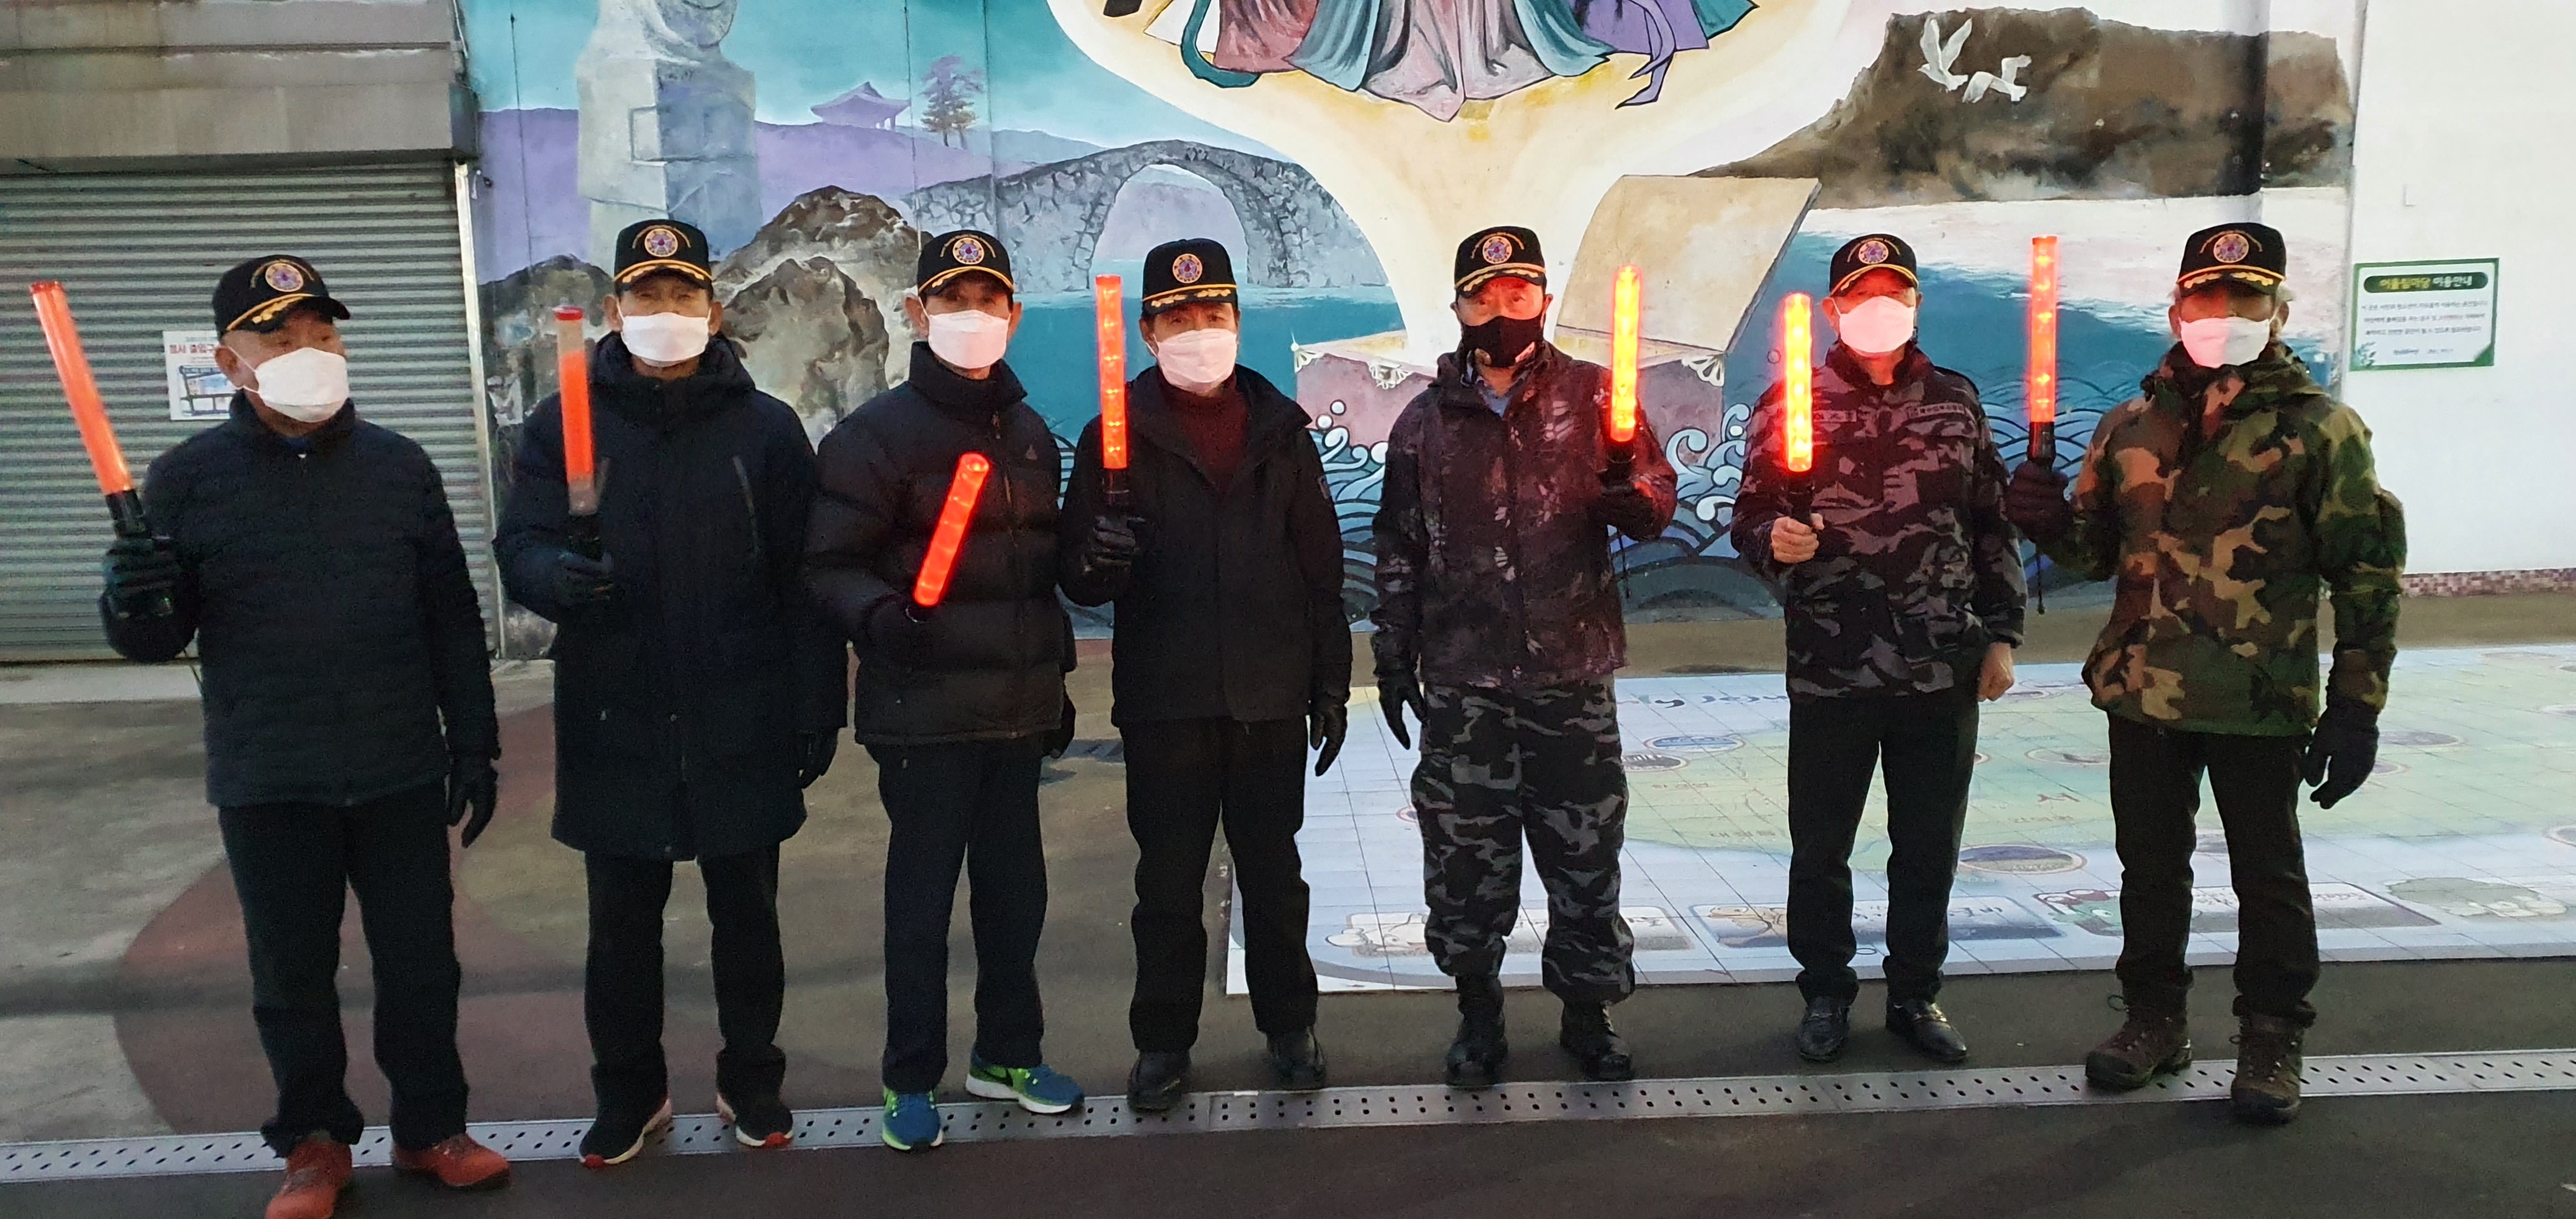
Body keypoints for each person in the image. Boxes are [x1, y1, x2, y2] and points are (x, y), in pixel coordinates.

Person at [100, 256, 510, 1219]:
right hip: (269, 772)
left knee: (421, 963)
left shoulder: (400, 467)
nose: (308, 350)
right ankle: (315, 1142)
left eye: (322, 333)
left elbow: (451, 616)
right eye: (278, 337)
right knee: (292, 973)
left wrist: (475, 743)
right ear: (228, 361)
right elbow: (156, 636)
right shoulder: (188, 479)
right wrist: (130, 596)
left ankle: (432, 1127)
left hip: (397, 763)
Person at [2003, 222, 2405, 1125]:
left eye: (2245, 299)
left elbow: (2366, 574)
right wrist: (2044, 521)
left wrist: (2357, 708)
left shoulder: (2320, 431)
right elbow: (2096, 552)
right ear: (2178, 309)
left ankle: (2271, 1035)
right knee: (2150, 870)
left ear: (2278, 311)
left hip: (2259, 697)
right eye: (2208, 298)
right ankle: (2154, 1020)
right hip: (2143, 687)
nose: (2224, 314)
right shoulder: (2131, 425)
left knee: (2268, 874)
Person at [495, 220, 846, 1167]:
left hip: (741, 707)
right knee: (620, 928)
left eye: (683, 294)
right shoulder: (565, 422)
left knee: (749, 917)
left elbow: (804, 575)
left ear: (713, 311)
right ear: (615, 311)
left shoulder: (765, 429)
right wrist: (553, 577)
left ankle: (752, 1080)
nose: (665, 312)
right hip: (616, 710)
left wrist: (819, 701)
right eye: (645, 295)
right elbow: (520, 542)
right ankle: (630, 1092)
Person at [1370, 225, 1677, 1088]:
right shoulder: (1425, 422)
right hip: (1464, 680)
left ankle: (1588, 1013)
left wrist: (1632, 497)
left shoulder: (1598, 398)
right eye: (1484, 296)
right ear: (1460, 308)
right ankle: (1478, 1016)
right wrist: (1393, 655)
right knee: (1465, 860)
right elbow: (1398, 547)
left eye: (1519, 292)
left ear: (1543, 298)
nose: (1502, 309)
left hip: (1570, 674)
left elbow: (1657, 496)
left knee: (1585, 855)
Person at [805, 229, 1085, 1152]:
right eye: (951, 300)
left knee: (1016, 896)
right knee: (921, 905)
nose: (971, 315)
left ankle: (1008, 1052)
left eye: (987, 299)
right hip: (921, 715)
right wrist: (879, 615)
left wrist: (1054, 679)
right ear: (917, 312)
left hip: (1015, 714)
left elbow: (1033, 575)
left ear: (1013, 314)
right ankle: (910, 1074)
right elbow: (829, 565)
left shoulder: (1030, 434)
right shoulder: (874, 437)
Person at [1059, 238, 1351, 1111]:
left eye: (1213, 313)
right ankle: (1162, 1042)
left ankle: (1290, 1026)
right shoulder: (1115, 436)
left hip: (1267, 694)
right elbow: (1079, 578)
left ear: (1237, 322)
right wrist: (1099, 558)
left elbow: (1321, 571)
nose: (1198, 330)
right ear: (1149, 332)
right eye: (1178, 317)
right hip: (1167, 698)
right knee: (1166, 884)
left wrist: (1329, 684)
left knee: (1274, 878)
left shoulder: (1282, 433)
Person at [1728, 234, 2026, 1067]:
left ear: (1917, 304)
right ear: (1834, 310)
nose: (1878, 307)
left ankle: (1915, 993)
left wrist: (2003, 635)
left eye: (1894, 293)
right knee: (1822, 847)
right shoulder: (1791, 404)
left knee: (1928, 845)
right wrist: (1772, 539)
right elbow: (1750, 514)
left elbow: (1991, 522)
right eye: (1861, 295)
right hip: (1833, 661)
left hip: (1942, 661)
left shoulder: (1956, 402)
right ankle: (1826, 992)